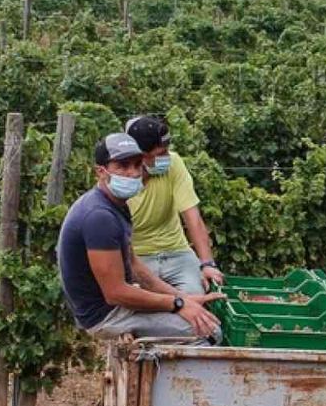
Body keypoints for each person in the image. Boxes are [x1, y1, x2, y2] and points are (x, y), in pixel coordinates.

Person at [57, 132, 223, 341]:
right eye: (123, 166)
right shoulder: (99, 217)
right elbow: (115, 292)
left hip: (119, 307)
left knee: (202, 316)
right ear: (101, 172)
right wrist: (177, 305)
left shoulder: (117, 205)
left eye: (137, 165)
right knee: (209, 331)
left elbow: (135, 267)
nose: (132, 173)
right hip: (107, 316)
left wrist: (182, 298)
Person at [122, 115, 226, 295]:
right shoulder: (121, 182)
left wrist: (207, 263)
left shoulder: (174, 163)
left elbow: (193, 217)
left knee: (198, 297)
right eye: (159, 154)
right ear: (140, 156)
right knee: (144, 304)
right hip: (137, 258)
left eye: (167, 150)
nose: (166, 157)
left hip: (176, 252)